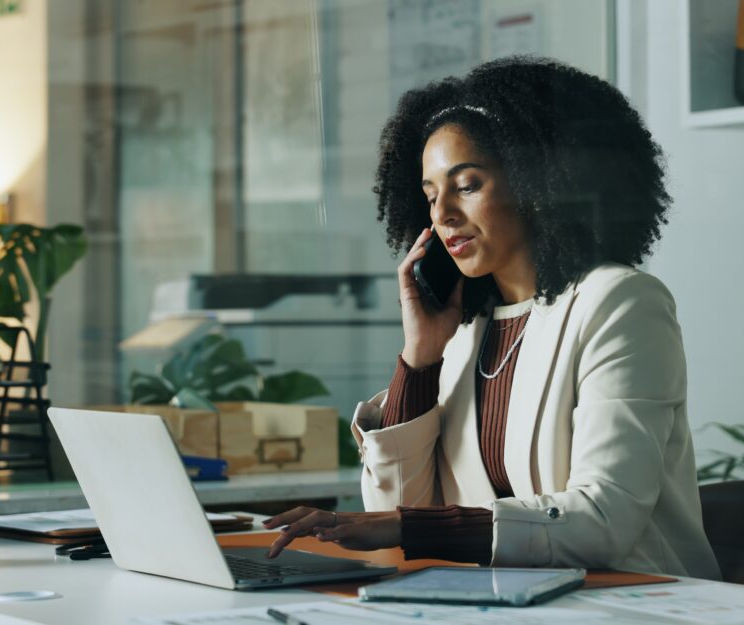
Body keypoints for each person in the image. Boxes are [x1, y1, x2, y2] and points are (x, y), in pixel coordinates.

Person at [263, 56, 720, 579]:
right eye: (431, 195)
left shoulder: (620, 303)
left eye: (468, 184)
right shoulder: (465, 332)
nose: (442, 215)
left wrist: (406, 527)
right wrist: (419, 358)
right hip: (507, 600)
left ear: (537, 181)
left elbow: (603, 518)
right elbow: (396, 505)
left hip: (637, 599)